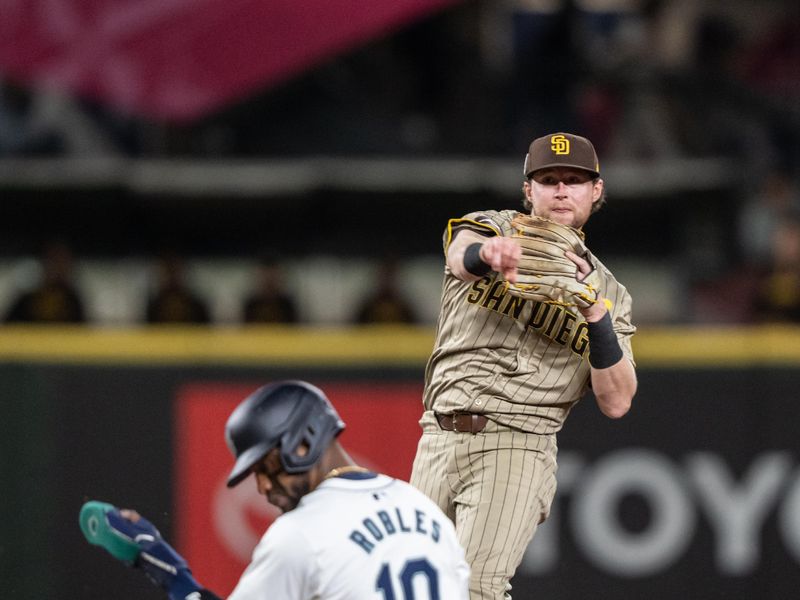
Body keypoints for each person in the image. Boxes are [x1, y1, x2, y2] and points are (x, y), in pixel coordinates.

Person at [409, 132, 638, 599]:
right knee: (408, 588)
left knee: (475, 589)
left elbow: (617, 401)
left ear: (596, 190)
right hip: (436, 435)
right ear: (528, 189)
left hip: (517, 445)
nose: (560, 190)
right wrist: (487, 255)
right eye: (548, 179)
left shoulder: (613, 295)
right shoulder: (491, 227)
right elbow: (460, 257)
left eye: (574, 180)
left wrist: (597, 317)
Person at [82, 380, 470, 599]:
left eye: (267, 466)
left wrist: (159, 560)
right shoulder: (425, 509)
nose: (264, 486)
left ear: (304, 442)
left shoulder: (300, 533)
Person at [3, 240, 87, 323]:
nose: (58, 267)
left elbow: (81, 327)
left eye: (62, 261)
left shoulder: (72, 297)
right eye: (54, 260)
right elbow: (10, 324)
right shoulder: (30, 295)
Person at [145, 252, 211, 324]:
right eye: (167, 272)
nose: (171, 277)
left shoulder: (197, 306)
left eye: (175, 270)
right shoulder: (154, 307)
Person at [354, 256, 418, 324]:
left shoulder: (404, 306)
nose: (387, 281)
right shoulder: (368, 306)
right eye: (384, 276)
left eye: (391, 277)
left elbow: (416, 327)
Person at [241, 257, 299, 323]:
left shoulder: (287, 304)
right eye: (265, 276)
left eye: (273, 276)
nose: (269, 280)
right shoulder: (251, 304)